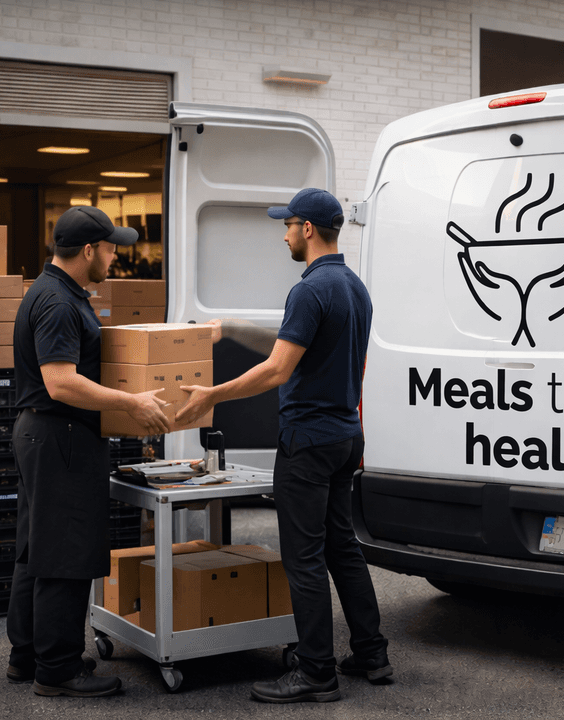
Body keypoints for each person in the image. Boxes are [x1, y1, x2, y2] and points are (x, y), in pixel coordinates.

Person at [177, 188, 391, 704]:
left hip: (309, 442)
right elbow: (288, 342)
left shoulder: (311, 289)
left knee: (305, 558)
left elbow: (277, 367)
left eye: (289, 224)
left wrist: (214, 393)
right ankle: (371, 653)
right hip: (344, 437)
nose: (285, 233)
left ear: (309, 229)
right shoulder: (353, 287)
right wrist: (230, 329)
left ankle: (316, 671)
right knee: (342, 548)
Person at [6, 205, 171, 698]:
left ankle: (27, 655)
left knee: (36, 548)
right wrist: (132, 403)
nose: (116, 255)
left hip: (45, 435)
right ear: (88, 251)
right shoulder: (58, 302)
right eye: (110, 247)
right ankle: (56, 670)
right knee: (65, 552)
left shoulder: (54, 290)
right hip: (61, 437)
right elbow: (61, 383)